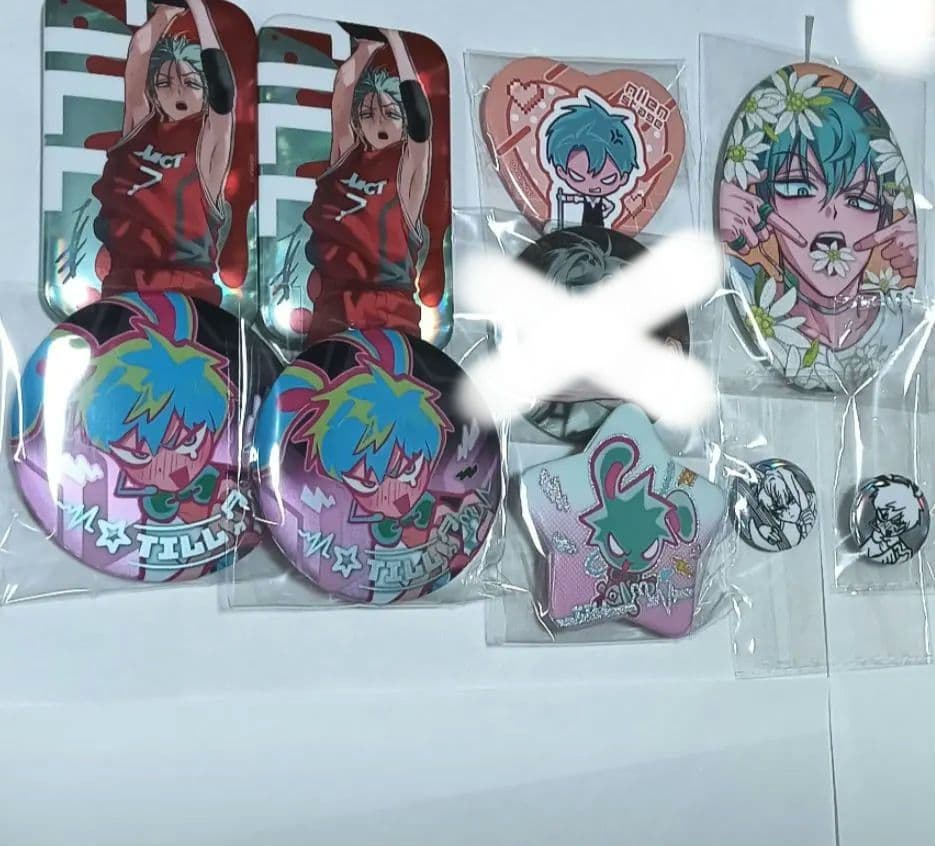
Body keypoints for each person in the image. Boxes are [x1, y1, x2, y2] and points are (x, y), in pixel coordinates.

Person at [719, 68, 917, 389]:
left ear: (885, 217)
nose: (830, 216)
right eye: (798, 188)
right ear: (764, 199)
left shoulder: (902, 324)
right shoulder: (746, 291)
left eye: (861, 200)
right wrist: (719, 227)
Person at [92, 0, 235, 305]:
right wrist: (166, 12)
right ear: (154, 93)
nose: (178, 91)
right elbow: (138, 55)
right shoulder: (139, 126)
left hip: (187, 295)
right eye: (164, 84)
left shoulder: (208, 140)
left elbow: (223, 90)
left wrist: (197, 7)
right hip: (123, 292)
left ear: (205, 91)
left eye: (190, 82)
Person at [303, 29, 433, 340]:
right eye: (368, 114)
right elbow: (343, 92)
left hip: (388, 312)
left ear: (403, 122)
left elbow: (421, 123)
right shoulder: (346, 155)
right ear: (359, 123)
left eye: (390, 114)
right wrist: (366, 47)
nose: (379, 122)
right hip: (333, 307)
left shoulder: (407, 168)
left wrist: (396, 39)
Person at [543, 94, 643, 228]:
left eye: (608, 179)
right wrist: (562, 198)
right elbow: (574, 198)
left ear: (624, 178)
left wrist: (606, 213)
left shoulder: (602, 200)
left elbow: (610, 206)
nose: (593, 187)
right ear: (561, 171)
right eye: (577, 177)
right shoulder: (585, 198)